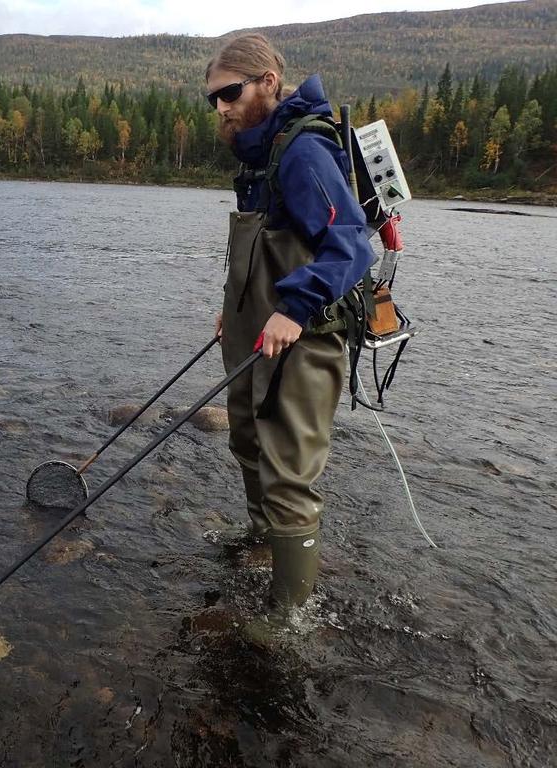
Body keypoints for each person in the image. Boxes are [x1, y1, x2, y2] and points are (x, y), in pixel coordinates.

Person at [206, 34, 375, 615]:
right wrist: (235, 309)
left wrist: (293, 309)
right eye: (214, 100)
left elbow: (351, 246)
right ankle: (260, 541)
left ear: (268, 84)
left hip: (304, 339)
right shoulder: (260, 156)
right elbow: (264, 252)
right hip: (257, 329)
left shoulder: (302, 153)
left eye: (230, 93)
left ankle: (289, 617)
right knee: (247, 438)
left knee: (288, 473)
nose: (222, 108)